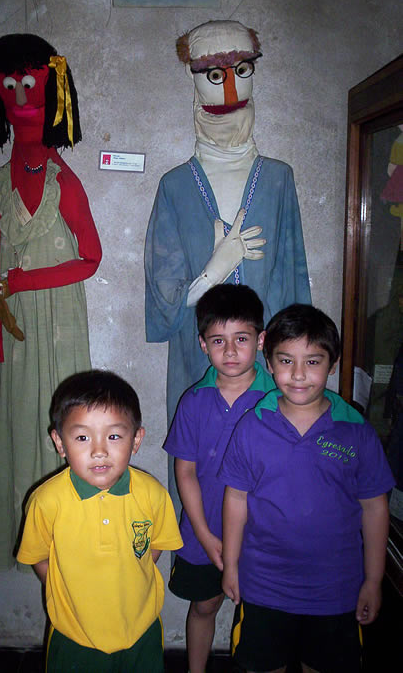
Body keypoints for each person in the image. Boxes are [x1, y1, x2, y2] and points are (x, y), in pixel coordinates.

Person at [0, 34, 102, 569]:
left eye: (30, 84)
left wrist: (28, 281)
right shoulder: (4, 181)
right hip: (10, 333)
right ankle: (31, 548)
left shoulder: (64, 181)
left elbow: (90, 259)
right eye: (10, 85)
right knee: (12, 427)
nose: (21, 98)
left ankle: (70, 552)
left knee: (60, 427)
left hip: (57, 327)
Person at [145, 20, 311, 428]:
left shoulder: (278, 179)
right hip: (198, 353)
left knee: (266, 449)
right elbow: (164, 298)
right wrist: (213, 272)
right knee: (198, 448)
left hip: (266, 360)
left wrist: (296, 360)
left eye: (242, 70)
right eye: (216, 75)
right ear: (195, 78)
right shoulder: (175, 186)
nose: (230, 89)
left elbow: (293, 279)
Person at [220, 304, 395, 673]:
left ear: (332, 364)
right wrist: (231, 566)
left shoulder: (357, 431)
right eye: (286, 361)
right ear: (269, 363)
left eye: (313, 362)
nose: (298, 374)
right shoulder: (251, 427)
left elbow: (375, 507)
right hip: (264, 586)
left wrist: (374, 579)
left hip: (336, 590)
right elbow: (236, 499)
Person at [17, 370, 183, 672]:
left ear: (136, 439)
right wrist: (68, 590)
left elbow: (154, 546)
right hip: (74, 636)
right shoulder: (46, 501)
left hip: (141, 632)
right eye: (82, 437)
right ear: (60, 442)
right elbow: (38, 557)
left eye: (114, 436)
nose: (99, 451)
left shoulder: (153, 494)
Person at [164, 284, 275, 673]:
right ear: (202, 345)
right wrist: (206, 535)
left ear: (261, 341)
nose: (229, 351)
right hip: (204, 529)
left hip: (261, 535)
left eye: (241, 339)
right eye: (218, 341)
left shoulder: (277, 402)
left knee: (261, 618)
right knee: (204, 605)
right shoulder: (193, 401)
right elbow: (185, 472)